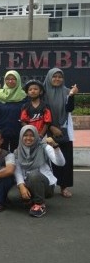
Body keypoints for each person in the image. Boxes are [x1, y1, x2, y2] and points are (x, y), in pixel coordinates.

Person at [7, 125, 65, 217]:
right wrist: (22, 187)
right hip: (27, 184)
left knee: (34, 175)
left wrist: (55, 147)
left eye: (32, 135)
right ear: (21, 136)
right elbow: (17, 172)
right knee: (12, 196)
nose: (28, 138)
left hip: (46, 186)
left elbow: (61, 163)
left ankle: (40, 204)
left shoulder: (44, 148)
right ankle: (32, 200)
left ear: (36, 136)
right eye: (25, 135)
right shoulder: (17, 152)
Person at [43, 68, 79, 198]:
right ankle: (49, 185)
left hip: (63, 130)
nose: (57, 79)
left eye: (60, 77)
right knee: (47, 159)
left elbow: (70, 108)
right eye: (54, 76)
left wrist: (71, 95)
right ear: (49, 77)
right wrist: (51, 127)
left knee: (65, 158)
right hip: (46, 130)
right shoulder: (43, 92)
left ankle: (64, 187)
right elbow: (41, 111)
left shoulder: (66, 92)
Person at [0, 70, 27, 152]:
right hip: (1, 131)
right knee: (1, 156)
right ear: (5, 81)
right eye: (8, 79)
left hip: (18, 131)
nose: (10, 81)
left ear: (18, 80)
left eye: (13, 79)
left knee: (17, 156)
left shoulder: (24, 96)